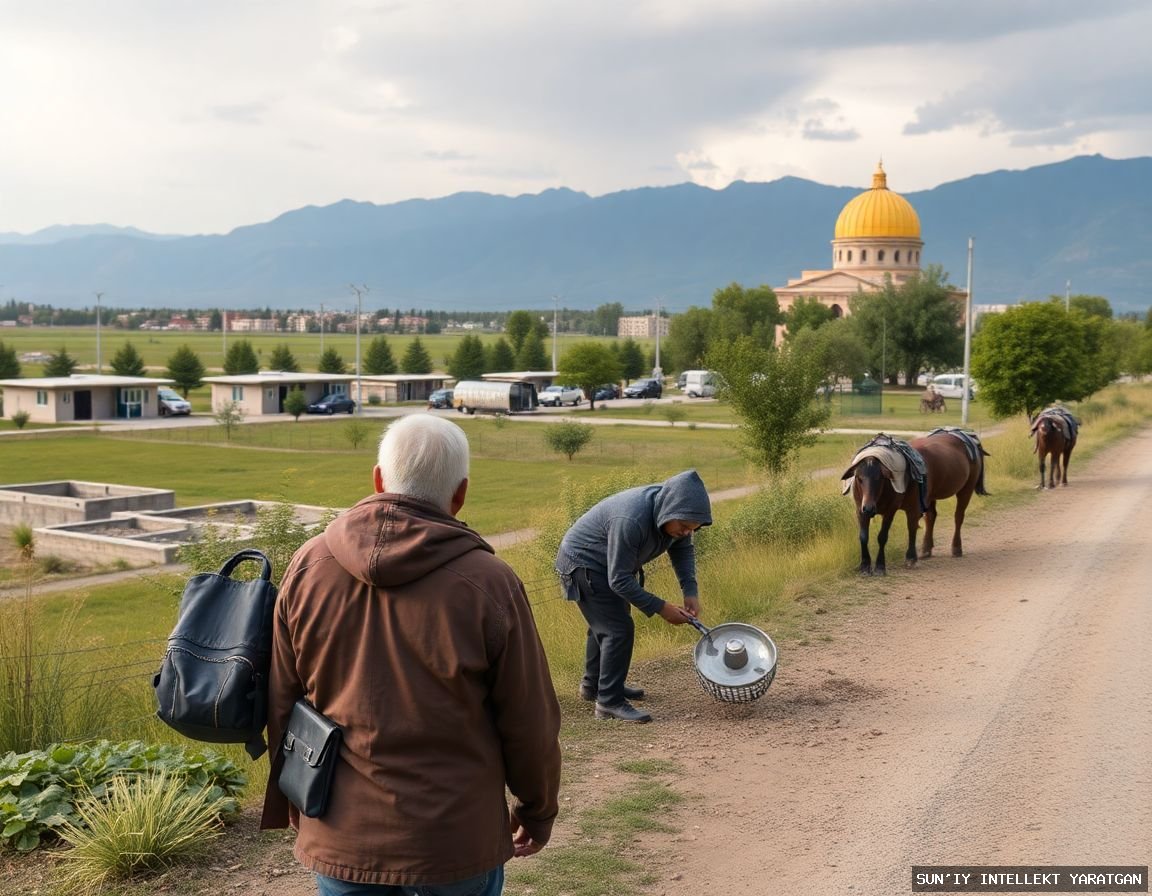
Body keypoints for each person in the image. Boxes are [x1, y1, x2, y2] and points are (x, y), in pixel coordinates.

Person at [261, 414, 562, 895]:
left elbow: (281, 697)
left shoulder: (308, 564)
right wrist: (537, 809)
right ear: (460, 493)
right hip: (454, 839)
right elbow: (529, 719)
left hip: (340, 828)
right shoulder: (489, 582)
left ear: (379, 480)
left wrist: (291, 791)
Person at [555, 470, 712, 724]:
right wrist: (662, 608)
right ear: (670, 511)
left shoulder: (675, 518)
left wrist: (690, 591)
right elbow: (618, 579)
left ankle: (594, 686)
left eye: (692, 529)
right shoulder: (632, 518)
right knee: (617, 629)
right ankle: (609, 702)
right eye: (683, 527)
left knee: (605, 625)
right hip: (582, 563)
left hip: (604, 565)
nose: (686, 532)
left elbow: (682, 550)